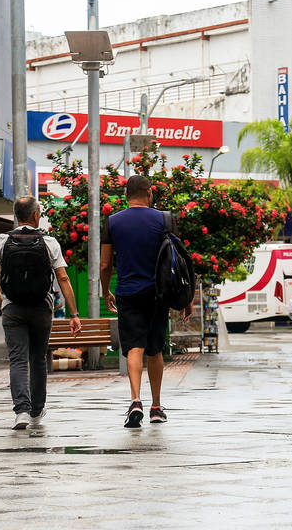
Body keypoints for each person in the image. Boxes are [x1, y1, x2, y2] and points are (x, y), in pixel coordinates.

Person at [101, 175, 193, 428]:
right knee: (155, 349)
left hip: (127, 292)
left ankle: (135, 400)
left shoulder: (112, 221)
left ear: (125, 194)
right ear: (149, 193)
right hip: (158, 293)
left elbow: (105, 264)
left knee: (133, 347)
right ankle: (156, 406)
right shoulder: (165, 219)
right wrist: (187, 298)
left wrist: (105, 289)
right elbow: (179, 260)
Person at [0, 197, 81, 430]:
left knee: (18, 359)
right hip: (41, 307)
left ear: (17, 216)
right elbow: (63, 278)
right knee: (38, 358)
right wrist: (74, 314)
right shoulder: (48, 242)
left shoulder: (2, 240)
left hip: (13, 308)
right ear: (36, 215)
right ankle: (37, 410)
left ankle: (21, 412)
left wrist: (3, 302)